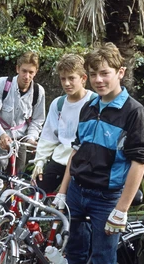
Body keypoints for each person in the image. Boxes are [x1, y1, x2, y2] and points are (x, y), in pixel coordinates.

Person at [53, 43, 144, 264]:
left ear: (120, 72)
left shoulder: (134, 112)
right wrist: (62, 191)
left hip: (106, 199)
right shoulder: (89, 106)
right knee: (75, 254)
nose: (99, 80)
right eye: (94, 74)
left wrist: (122, 209)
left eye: (105, 73)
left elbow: (139, 163)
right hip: (77, 193)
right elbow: (75, 152)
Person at [31, 54, 96, 193]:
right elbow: (48, 136)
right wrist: (40, 161)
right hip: (59, 161)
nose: (66, 83)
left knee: (72, 207)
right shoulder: (58, 104)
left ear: (83, 78)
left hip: (83, 165)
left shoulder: (95, 102)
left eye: (71, 78)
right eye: (63, 79)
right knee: (35, 197)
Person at [0, 51, 46, 197]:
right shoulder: (3, 84)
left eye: (31, 72)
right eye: (24, 71)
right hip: (0, 132)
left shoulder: (38, 91)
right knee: (1, 161)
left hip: (20, 137)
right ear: (17, 68)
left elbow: (38, 120)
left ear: (36, 72)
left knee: (18, 173)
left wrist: (31, 138)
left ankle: (9, 208)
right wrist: (2, 135)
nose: (27, 76)